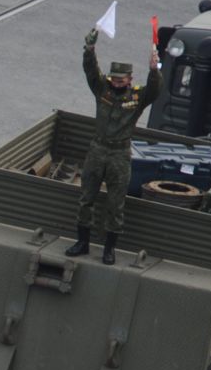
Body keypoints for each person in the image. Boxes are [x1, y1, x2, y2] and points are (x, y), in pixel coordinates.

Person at [66, 27, 162, 264]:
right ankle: (83, 242)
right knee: (86, 197)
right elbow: (91, 71)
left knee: (115, 203)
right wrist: (89, 49)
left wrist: (154, 69)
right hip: (98, 149)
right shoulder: (102, 90)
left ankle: (109, 249)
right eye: (114, 79)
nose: (116, 82)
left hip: (120, 153)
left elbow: (155, 90)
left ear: (130, 79)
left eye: (121, 79)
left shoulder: (137, 97)